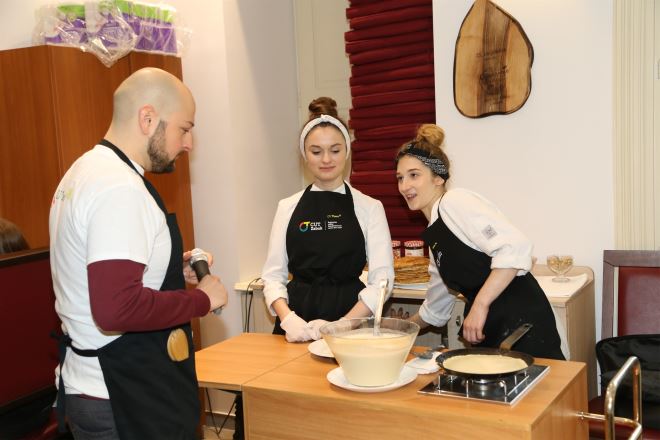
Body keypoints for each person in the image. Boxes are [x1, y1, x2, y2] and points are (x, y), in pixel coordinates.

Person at [49, 67, 229, 439]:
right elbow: (115, 309)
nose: (188, 143)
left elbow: (100, 270)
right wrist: (201, 299)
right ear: (148, 119)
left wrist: (170, 269)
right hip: (120, 394)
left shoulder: (83, 171)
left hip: (93, 386)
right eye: (184, 128)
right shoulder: (120, 188)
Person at [395, 124, 564, 360]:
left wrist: (479, 305)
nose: (404, 186)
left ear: (438, 177)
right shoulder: (435, 235)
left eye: (414, 175)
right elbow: (436, 307)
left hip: (523, 325)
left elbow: (514, 247)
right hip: (491, 331)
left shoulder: (454, 202)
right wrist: (401, 330)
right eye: (400, 178)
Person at [261, 97, 395, 342]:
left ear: (347, 151)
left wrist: (343, 325)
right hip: (297, 322)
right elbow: (272, 276)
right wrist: (288, 319)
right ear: (304, 155)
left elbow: (382, 282)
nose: (326, 160)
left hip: (351, 323)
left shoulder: (370, 208)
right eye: (316, 151)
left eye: (335, 150)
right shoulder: (287, 207)